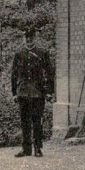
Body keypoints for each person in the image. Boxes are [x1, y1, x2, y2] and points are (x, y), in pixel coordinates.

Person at [11, 26, 55, 158]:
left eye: (31, 37)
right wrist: (14, 93)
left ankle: (37, 148)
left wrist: (49, 91)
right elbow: (14, 75)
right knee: (24, 121)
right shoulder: (19, 54)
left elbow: (49, 73)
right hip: (23, 92)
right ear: (24, 39)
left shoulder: (42, 53)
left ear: (35, 38)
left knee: (37, 121)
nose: (29, 40)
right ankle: (26, 149)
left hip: (37, 92)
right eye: (27, 38)